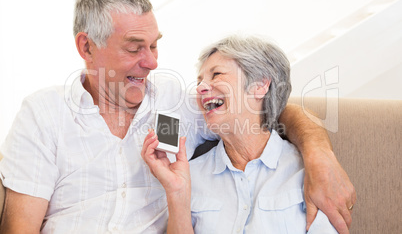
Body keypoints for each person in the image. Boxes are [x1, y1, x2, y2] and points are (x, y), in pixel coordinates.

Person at [0, 0, 355, 233]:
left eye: (154, 46)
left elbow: (265, 109)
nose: (151, 62)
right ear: (87, 46)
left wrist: (319, 154)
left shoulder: (172, 105)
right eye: (134, 47)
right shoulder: (44, 114)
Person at [141, 35, 342, 233]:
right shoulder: (189, 176)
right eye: (199, 81)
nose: (201, 87)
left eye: (216, 74)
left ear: (260, 85)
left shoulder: (310, 173)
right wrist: (177, 194)